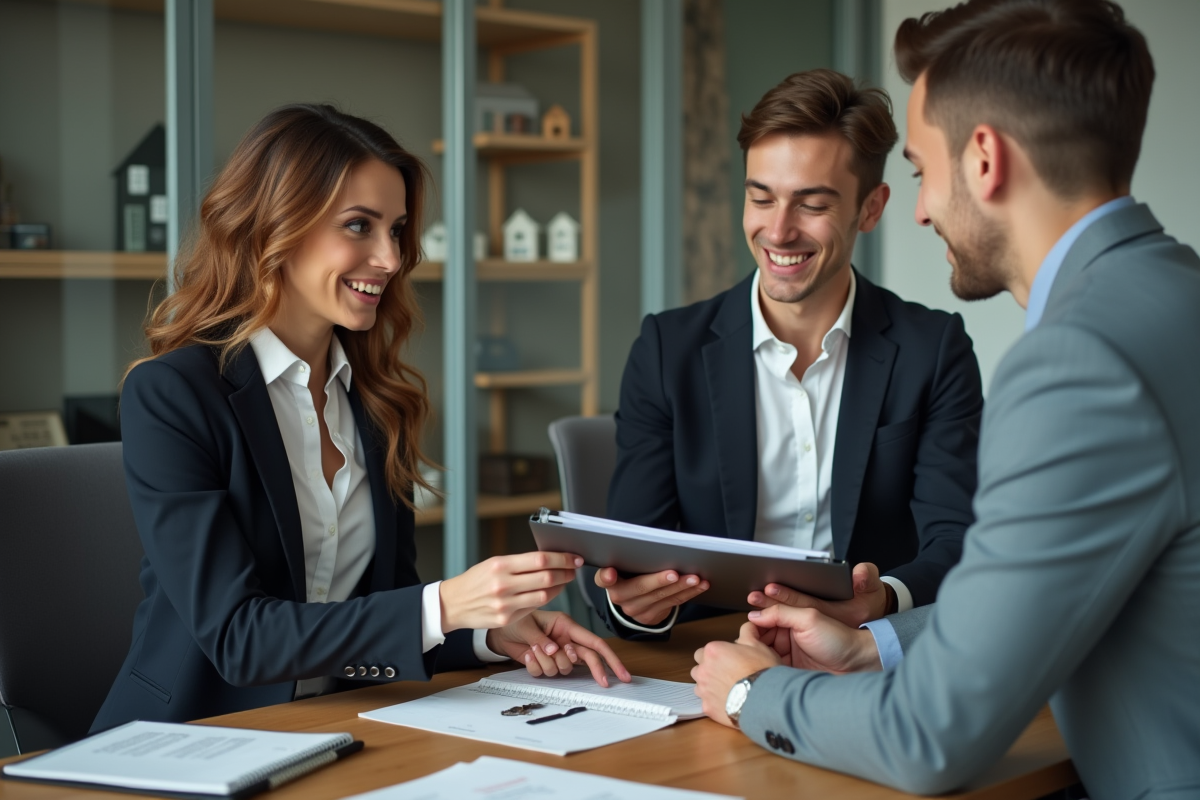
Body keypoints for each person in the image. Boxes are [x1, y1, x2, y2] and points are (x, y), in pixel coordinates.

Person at [690, 1, 1200, 797]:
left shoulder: (1077, 363)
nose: (921, 208)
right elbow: (1070, 591)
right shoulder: (1178, 295)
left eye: (923, 170)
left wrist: (753, 692)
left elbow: (928, 740)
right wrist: (876, 648)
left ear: (985, 159)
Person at [92, 104, 628, 732]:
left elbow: (374, 614)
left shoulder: (374, 400)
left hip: (342, 727)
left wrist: (487, 633)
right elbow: (237, 637)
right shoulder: (174, 395)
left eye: (397, 229)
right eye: (359, 226)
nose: (391, 257)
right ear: (276, 228)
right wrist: (447, 604)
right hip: (191, 738)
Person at [593, 69, 983, 639]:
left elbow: (956, 543)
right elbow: (627, 562)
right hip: (709, 654)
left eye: (812, 204)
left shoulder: (934, 349)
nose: (778, 231)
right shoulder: (665, 349)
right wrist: (636, 605)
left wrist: (884, 600)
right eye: (761, 198)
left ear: (870, 209)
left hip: (865, 657)